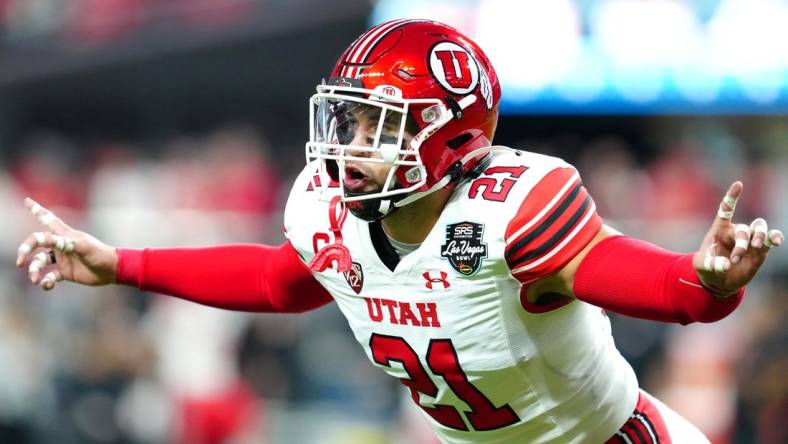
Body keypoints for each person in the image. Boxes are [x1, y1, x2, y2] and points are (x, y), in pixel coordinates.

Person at [16, 19, 784, 443]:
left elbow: (652, 285)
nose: (346, 144)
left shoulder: (512, 208)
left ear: (449, 137)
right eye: (344, 119)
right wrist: (120, 262)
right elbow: (277, 282)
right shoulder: (327, 207)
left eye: (374, 126)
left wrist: (707, 282)